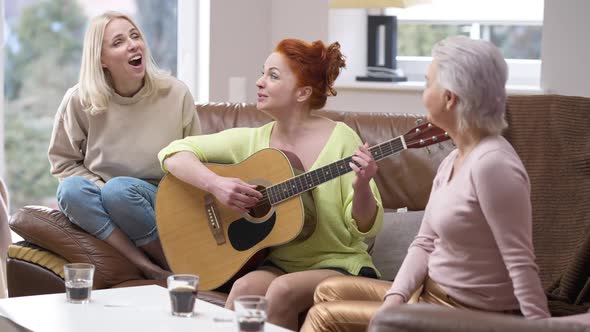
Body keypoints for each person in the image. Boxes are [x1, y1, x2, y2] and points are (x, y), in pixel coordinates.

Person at [301, 35, 551, 332]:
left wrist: (542, 327)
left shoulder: (493, 165)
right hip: (432, 294)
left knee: (324, 317)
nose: (423, 94)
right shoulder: (454, 160)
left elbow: (521, 263)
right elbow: (425, 242)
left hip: (469, 313)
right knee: (327, 290)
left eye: (427, 83)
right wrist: (395, 299)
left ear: (450, 98)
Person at [158, 38, 384, 330]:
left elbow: (365, 227)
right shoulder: (254, 142)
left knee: (281, 290)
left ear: (302, 93)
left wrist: (363, 185)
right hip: (282, 264)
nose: (259, 82)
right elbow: (172, 153)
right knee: (244, 289)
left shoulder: (342, 139)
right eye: (262, 72)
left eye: (272, 76)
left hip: (339, 264)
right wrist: (216, 185)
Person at [48, 11, 201, 280]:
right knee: (71, 190)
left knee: (120, 191)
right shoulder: (79, 100)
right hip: (106, 197)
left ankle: (178, 265)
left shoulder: (175, 94)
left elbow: (199, 156)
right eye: (118, 42)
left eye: (135, 36)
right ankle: (146, 266)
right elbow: (63, 162)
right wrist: (105, 191)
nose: (133, 45)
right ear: (101, 59)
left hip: (163, 199)